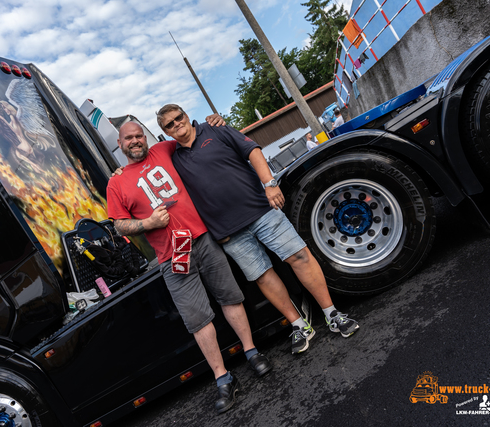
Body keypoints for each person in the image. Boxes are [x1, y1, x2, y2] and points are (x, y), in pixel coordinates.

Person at [157, 104, 359, 355]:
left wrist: (270, 184)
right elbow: (144, 165)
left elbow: (252, 150)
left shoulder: (216, 129)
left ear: (187, 116)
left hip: (261, 211)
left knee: (299, 257)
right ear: (165, 131)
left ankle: (332, 313)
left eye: (179, 118)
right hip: (229, 233)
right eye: (169, 124)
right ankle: (299, 325)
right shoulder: (172, 159)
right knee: (263, 276)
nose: (177, 124)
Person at [107, 121, 271, 415]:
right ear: (119, 143)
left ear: (145, 138)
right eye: (128, 138)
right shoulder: (115, 182)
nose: (135, 141)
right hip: (172, 258)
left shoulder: (163, 150)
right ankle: (223, 377)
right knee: (198, 320)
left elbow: (189, 134)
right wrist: (148, 224)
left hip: (203, 239)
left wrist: (212, 121)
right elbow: (119, 225)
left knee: (230, 297)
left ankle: (251, 352)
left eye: (138, 135)